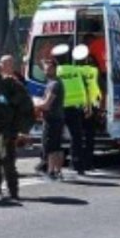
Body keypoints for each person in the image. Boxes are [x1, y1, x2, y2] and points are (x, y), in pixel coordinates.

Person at [0, 54, 36, 200]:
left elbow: (25, 100)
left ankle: (13, 190)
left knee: (7, 158)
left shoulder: (8, 82)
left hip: (8, 126)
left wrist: (9, 101)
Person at [63, 44, 101, 175]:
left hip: (78, 106)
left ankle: (77, 162)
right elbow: (99, 87)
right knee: (89, 136)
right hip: (91, 105)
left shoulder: (74, 71)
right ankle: (88, 163)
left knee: (78, 136)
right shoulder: (93, 71)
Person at [40, 50, 67, 182]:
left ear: (55, 69)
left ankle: (51, 172)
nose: (46, 70)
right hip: (58, 117)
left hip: (52, 118)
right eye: (45, 68)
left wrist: (34, 105)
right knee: (57, 146)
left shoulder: (54, 84)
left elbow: (47, 104)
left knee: (50, 146)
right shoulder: (55, 82)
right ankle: (58, 171)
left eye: (49, 68)